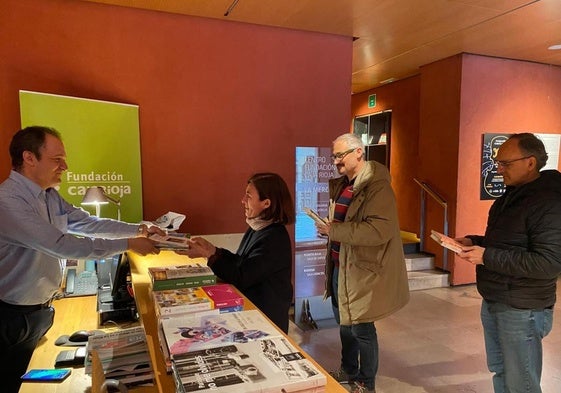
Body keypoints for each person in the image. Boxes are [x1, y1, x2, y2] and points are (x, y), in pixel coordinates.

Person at [0, 126, 165, 393]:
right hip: (12, 318)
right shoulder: (8, 201)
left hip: (40, 311)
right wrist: (129, 244)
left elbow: (87, 223)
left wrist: (139, 229)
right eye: (57, 160)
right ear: (29, 158)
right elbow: (60, 244)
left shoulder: (49, 196)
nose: (64, 166)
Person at [456, 133, 561, 393]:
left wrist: (486, 255)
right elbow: (508, 242)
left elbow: (548, 263)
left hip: (522, 308)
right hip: (496, 298)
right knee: (501, 371)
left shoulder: (548, 202)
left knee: (521, 383)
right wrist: (473, 241)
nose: (498, 169)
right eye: (497, 163)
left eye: (506, 163)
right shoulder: (511, 196)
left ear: (530, 162)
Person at [316, 133, 409, 393]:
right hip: (340, 267)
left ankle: (366, 383)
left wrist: (333, 232)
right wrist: (329, 229)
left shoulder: (378, 188)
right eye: (333, 156)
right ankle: (348, 370)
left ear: (359, 152)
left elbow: (378, 231)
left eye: (340, 155)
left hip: (362, 271)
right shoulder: (345, 185)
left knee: (362, 329)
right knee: (345, 324)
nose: (336, 161)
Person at [178, 172, 295, 333]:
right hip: (254, 314)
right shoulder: (258, 228)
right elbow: (241, 262)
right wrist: (212, 250)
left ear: (266, 203)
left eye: (249, 196)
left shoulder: (274, 237)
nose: (243, 201)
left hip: (266, 321)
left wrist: (210, 255)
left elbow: (242, 276)